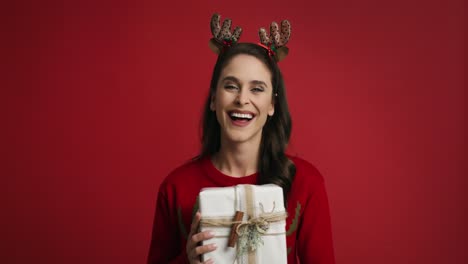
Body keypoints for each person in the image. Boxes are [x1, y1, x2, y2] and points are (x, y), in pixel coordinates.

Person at [147, 14, 335, 264]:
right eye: (231, 86)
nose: (242, 99)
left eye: (257, 89)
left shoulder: (306, 184)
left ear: (272, 104)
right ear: (214, 99)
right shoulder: (176, 188)